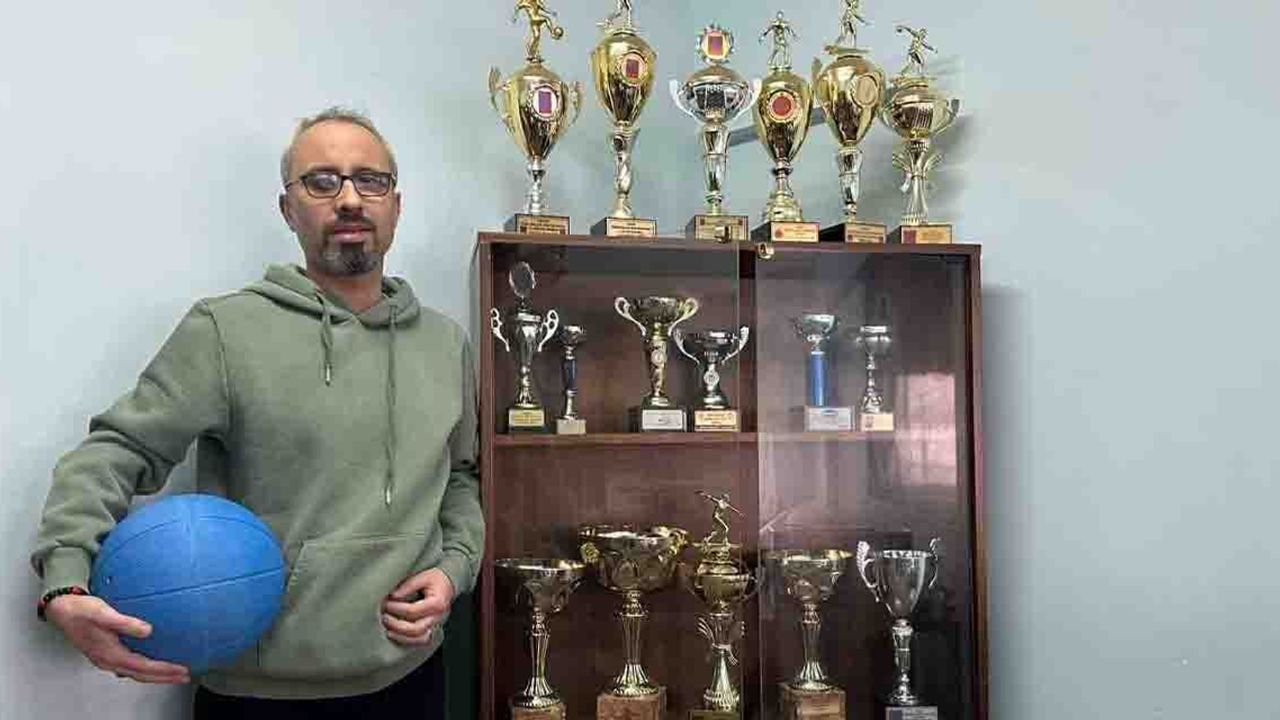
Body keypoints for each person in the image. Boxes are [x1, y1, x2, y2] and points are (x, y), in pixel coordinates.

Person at [29, 107, 484, 718]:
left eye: (369, 180)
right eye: (322, 181)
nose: (350, 199)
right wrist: (64, 576)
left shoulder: (445, 343)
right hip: (257, 694)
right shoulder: (224, 331)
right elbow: (118, 451)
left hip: (413, 676)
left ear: (395, 206)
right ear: (288, 209)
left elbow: (460, 478)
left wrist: (454, 569)